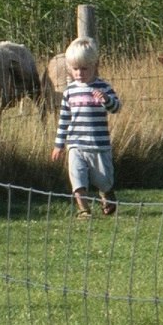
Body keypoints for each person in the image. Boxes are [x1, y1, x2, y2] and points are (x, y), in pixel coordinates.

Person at [51, 38, 122, 216]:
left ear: (94, 65)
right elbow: (64, 119)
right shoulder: (69, 91)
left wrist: (106, 100)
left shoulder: (103, 87)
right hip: (76, 144)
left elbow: (117, 107)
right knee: (77, 178)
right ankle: (84, 210)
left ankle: (106, 192)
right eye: (75, 69)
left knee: (103, 180)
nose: (79, 73)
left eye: (84, 69)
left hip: (98, 144)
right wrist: (59, 145)